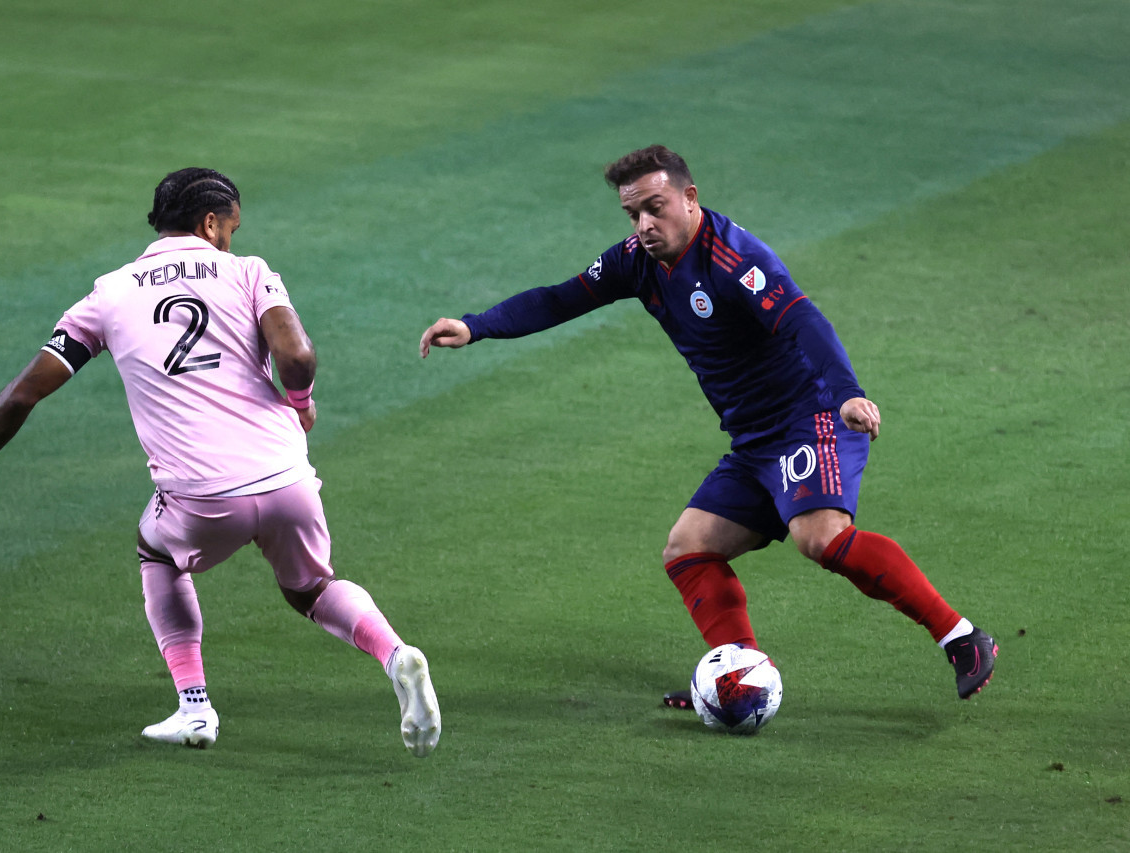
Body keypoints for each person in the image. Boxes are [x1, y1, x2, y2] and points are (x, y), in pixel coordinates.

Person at [419, 145, 996, 705]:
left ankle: (962, 638)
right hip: (754, 440)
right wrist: (476, 327)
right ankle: (736, 676)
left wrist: (847, 395)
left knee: (819, 538)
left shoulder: (733, 259)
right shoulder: (635, 262)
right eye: (632, 213)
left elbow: (803, 320)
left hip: (810, 416)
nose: (643, 223)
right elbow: (561, 299)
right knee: (688, 548)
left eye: (655, 207)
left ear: (689, 198)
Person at [0, 168, 441, 755]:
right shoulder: (251, 272)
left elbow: (25, 391)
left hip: (201, 496)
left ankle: (194, 708)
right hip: (287, 477)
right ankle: (393, 653)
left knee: (156, 549)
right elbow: (297, 355)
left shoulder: (110, 293)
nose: (232, 235)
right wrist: (300, 404)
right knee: (311, 587)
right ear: (210, 223)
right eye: (231, 225)